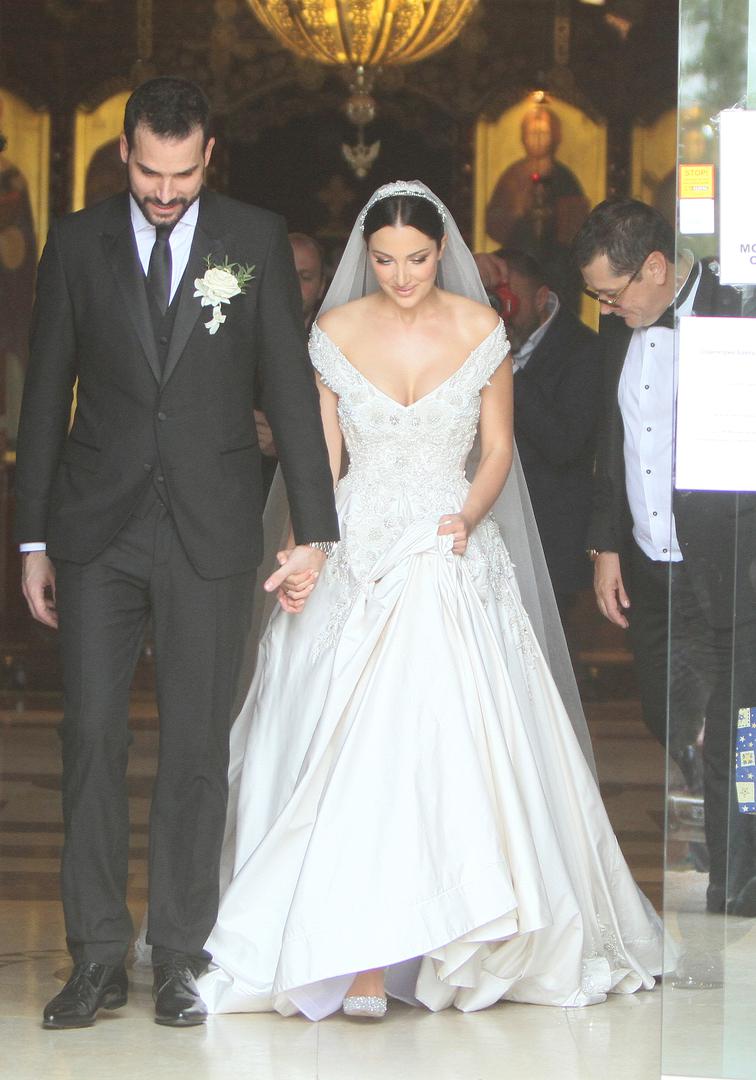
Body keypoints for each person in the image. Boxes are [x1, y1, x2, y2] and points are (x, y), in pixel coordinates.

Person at [193, 181, 664, 1022]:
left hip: (447, 544)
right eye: (383, 261)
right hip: (360, 542)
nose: (402, 276)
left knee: (439, 745)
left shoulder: (482, 328)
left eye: (416, 260)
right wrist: (308, 544)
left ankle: (455, 930)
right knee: (348, 742)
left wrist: (468, 517)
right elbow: (323, 458)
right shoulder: (333, 331)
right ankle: (361, 950)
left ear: (439, 251)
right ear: (362, 259)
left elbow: (497, 449)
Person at [14, 77, 338, 1029]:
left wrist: (312, 527)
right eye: (149, 173)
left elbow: (287, 382)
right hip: (96, 531)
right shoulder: (76, 242)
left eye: (182, 174)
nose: (164, 192)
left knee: (198, 749)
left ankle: (183, 956)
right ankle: (96, 958)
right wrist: (33, 538)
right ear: (125, 154)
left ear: (209, 157)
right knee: (92, 742)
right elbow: (44, 399)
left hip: (211, 527)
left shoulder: (254, 238)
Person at [574, 198, 756, 916]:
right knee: (665, 706)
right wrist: (605, 544)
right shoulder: (623, 323)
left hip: (729, 558)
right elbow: (609, 440)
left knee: (734, 726)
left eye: (612, 294)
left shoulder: (737, 309)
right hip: (649, 560)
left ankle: (733, 887)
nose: (607, 309)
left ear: (654, 267)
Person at [473, 248, 601, 614]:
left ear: (542, 298)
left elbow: (565, 444)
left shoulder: (585, 350)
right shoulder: (467, 335)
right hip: (483, 531)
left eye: (510, 297)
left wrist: (503, 363)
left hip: (549, 544)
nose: (503, 306)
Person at [485, 106, 589, 311]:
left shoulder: (565, 178)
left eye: (544, 133)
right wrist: (520, 210)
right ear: (523, 137)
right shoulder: (512, 176)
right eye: (533, 133)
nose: (538, 139)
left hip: (559, 267)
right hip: (519, 264)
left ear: (555, 137)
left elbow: (577, 224)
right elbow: (495, 222)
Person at [255, 232, 327, 489]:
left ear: (321, 287)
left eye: (305, 277)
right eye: (283, 272)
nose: (292, 284)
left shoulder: (334, 345)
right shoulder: (238, 338)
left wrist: (284, 444)